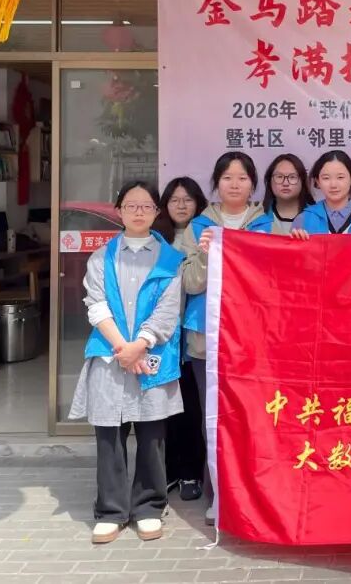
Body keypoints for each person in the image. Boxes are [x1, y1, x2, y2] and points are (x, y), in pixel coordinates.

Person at [68, 181, 185, 544]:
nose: (138, 212)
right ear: (118, 211)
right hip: (111, 354)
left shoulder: (170, 259)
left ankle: (149, 507)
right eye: (131, 205)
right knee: (109, 435)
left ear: (156, 212)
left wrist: (141, 345)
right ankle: (111, 511)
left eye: (146, 206)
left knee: (152, 436)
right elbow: (96, 304)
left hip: (152, 355)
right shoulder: (101, 257)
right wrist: (124, 348)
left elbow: (168, 311)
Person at [180, 152, 266, 524]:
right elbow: (189, 283)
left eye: (242, 178)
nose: (234, 184)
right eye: (227, 177)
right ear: (216, 183)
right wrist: (203, 256)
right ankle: (218, 496)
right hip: (207, 341)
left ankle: (252, 495)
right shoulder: (197, 226)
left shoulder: (267, 225)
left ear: (253, 184)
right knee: (213, 418)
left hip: (252, 341)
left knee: (251, 419)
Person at [154, 177, 208, 503]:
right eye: (174, 199)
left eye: (188, 199)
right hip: (161, 337)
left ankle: (191, 471)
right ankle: (169, 469)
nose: (181, 205)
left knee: (191, 406)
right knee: (164, 409)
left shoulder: (206, 236)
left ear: (198, 203)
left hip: (192, 337)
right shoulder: (155, 238)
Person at [291, 150, 351, 238]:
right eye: (326, 178)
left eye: (340, 177)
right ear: (317, 181)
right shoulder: (304, 218)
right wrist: (296, 241)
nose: (333, 185)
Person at [250, 153, 313, 235]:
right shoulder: (255, 215)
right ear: (269, 181)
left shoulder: (317, 217)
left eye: (292, 177)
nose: (285, 183)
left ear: (303, 181)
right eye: (279, 177)